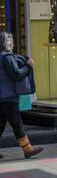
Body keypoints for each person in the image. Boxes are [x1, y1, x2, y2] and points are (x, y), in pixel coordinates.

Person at [0, 32, 43, 160]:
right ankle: (27, 149)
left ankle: (27, 149)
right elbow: (17, 74)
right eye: (10, 41)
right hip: (8, 96)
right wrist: (28, 66)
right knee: (17, 123)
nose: (12, 43)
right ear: (5, 42)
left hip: (2, 97)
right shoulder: (6, 57)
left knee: (0, 124)